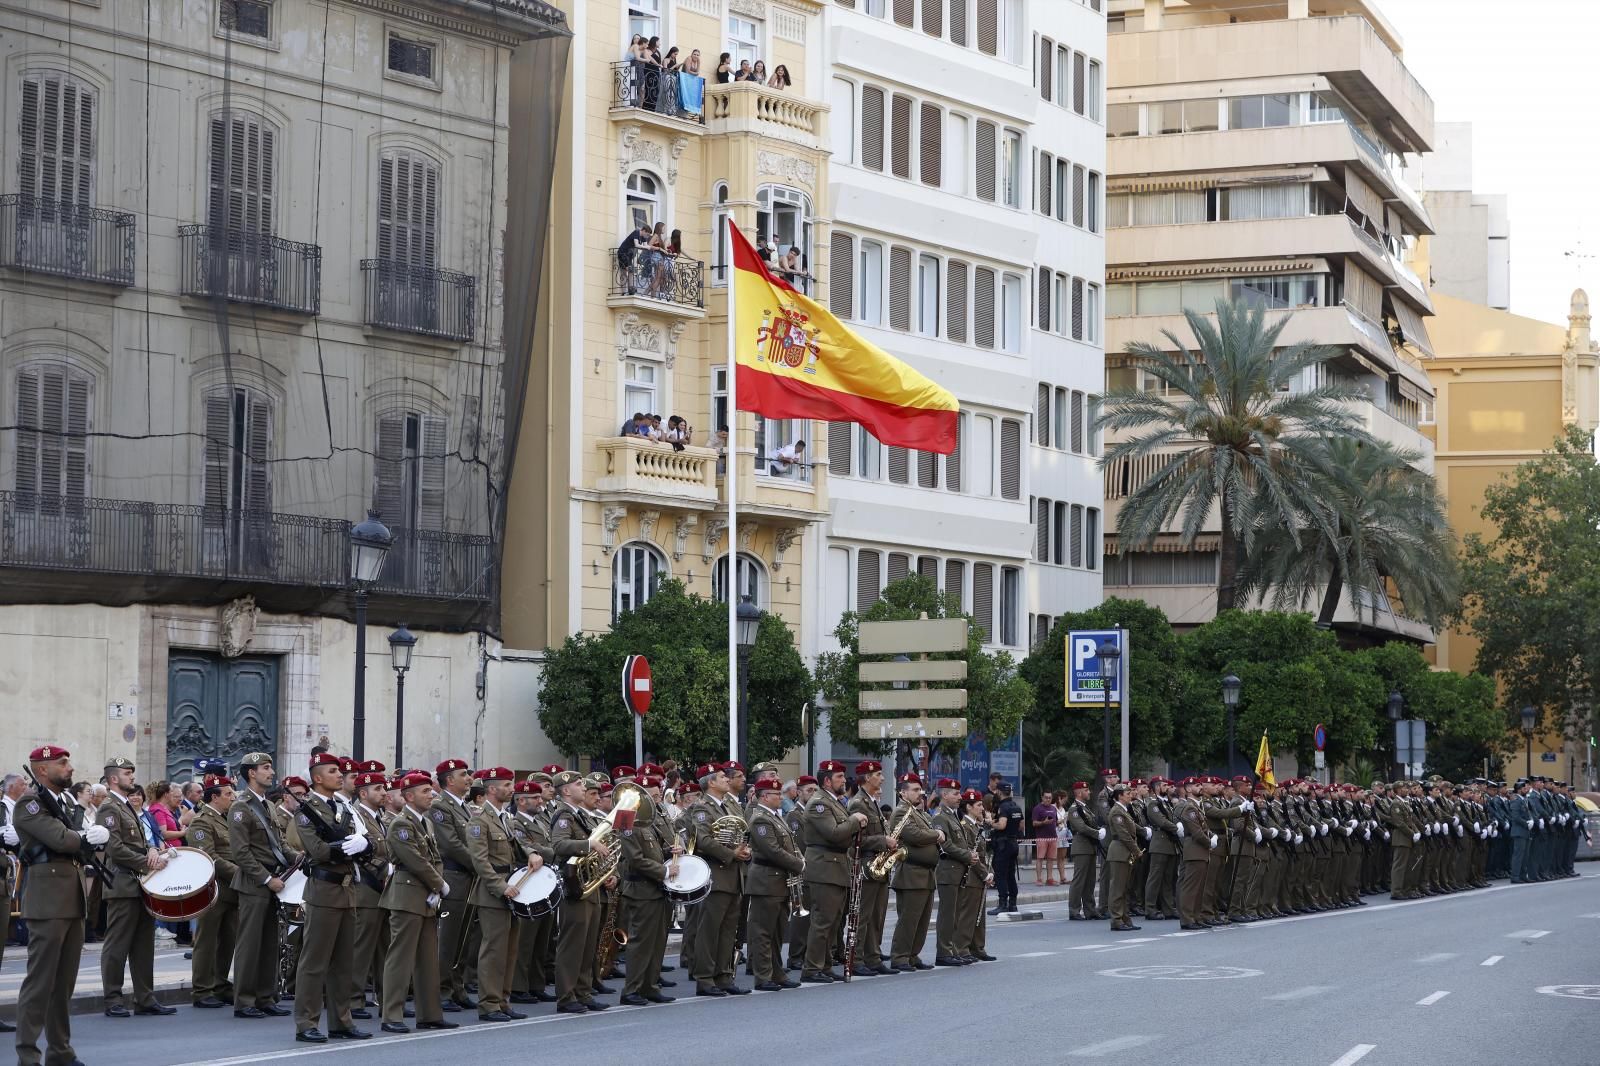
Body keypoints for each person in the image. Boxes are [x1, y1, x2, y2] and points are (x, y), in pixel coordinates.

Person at [14, 746, 109, 1066]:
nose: (70, 768)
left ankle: (60, 1051)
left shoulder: (63, 803)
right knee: (40, 983)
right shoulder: (30, 804)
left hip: (71, 900)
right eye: (62, 763)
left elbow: (77, 845)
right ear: (41, 769)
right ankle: (28, 1055)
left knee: (64, 985)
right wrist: (85, 836)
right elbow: (59, 839)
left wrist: (89, 838)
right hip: (48, 901)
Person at [290, 752, 373, 1043]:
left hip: (348, 889)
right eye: (333, 771)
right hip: (323, 891)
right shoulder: (306, 810)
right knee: (314, 962)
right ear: (317, 777)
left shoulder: (344, 807)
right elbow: (318, 850)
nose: (340, 775)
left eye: (340, 771)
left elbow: (363, 846)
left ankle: (341, 1021)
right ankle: (307, 1022)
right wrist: (346, 848)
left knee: (343, 962)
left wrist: (364, 845)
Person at [378, 771, 458, 1034]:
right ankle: (392, 1014)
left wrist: (436, 886)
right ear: (409, 796)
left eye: (430, 790)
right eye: (425, 791)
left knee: (427, 959)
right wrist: (440, 884)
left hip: (426, 897)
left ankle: (429, 1014)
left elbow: (434, 858)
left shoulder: (425, 822)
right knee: (400, 958)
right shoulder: (401, 824)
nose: (431, 794)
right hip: (407, 896)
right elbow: (415, 860)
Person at [97, 757, 175, 1019]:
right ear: (114, 779)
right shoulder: (109, 808)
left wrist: (152, 850)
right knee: (117, 945)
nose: (133, 777)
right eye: (127, 773)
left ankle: (145, 998)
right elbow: (115, 848)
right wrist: (147, 862)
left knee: (144, 944)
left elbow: (143, 840)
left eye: (132, 772)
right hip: (123, 883)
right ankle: (113, 998)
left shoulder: (127, 807)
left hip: (141, 883)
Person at [469, 767, 546, 1022]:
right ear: (492, 789)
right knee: (493, 950)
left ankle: (503, 1000)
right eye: (506, 785)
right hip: (494, 892)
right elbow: (480, 862)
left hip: (514, 888)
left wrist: (530, 853)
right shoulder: (479, 820)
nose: (511, 789)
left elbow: (516, 846)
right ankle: (488, 1004)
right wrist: (501, 887)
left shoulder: (506, 818)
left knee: (510, 950)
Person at [228, 752, 297, 1018]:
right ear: (251, 773)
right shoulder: (240, 806)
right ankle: (244, 1001)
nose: (271, 772)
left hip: (275, 881)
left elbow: (279, 844)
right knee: (249, 944)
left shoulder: (267, 805)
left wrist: (298, 857)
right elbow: (241, 853)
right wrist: (268, 880)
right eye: (265, 768)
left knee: (270, 943)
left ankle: (265, 997)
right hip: (254, 884)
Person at [549, 769, 612, 1013]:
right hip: (573, 885)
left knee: (587, 944)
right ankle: (566, 996)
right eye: (578, 784)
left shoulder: (581, 815)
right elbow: (558, 845)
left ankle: (583, 992)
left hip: (590, 884)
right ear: (566, 790)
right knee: (572, 944)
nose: (583, 787)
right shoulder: (563, 815)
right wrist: (588, 844)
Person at [800, 760, 865, 982]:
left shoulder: (835, 802)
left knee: (834, 921)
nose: (844, 780)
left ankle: (825, 965)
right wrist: (855, 821)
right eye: (839, 777)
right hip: (823, 866)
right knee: (823, 920)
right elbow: (834, 833)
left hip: (836, 866)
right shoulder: (819, 803)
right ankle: (812, 967)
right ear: (827, 780)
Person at [185, 773, 239, 1008]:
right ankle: (202, 989)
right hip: (212, 890)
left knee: (228, 940)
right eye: (228, 794)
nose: (232, 797)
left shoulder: (226, 819)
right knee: (206, 941)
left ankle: (219, 984)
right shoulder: (202, 821)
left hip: (232, 891)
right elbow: (209, 858)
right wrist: (240, 873)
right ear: (214, 797)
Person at [888, 772, 940, 971]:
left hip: (924, 873)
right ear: (903, 792)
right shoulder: (902, 812)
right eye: (915, 790)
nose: (920, 793)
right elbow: (915, 835)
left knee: (922, 920)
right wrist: (937, 834)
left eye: (920, 789)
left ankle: (912, 954)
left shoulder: (917, 812)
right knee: (908, 919)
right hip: (910, 873)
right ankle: (900, 956)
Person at [845, 761, 894, 976]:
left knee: (877, 915)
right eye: (878, 774)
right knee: (862, 916)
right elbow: (857, 840)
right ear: (866, 778)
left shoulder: (872, 802)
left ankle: (873, 957)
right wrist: (883, 840)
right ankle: (857, 960)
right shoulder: (858, 803)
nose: (882, 778)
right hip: (866, 863)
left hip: (879, 864)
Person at [348, 771, 390, 1020]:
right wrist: (386, 870)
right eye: (378, 789)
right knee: (361, 948)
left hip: (383, 889)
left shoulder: (379, 817)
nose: (384, 792)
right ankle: (354, 999)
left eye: (384, 788)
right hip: (366, 888)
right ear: (363, 793)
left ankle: (388, 1000)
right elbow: (360, 854)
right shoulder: (356, 817)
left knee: (385, 948)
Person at [1105, 783, 1143, 931]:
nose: (1130, 795)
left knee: (1124, 888)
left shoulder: (1124, 810)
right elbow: (1124, 835)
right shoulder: (1116, 812)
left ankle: (1125, 918)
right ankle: (1116, 920)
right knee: (1117, 888)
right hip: (1120, 851)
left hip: (1125, 851)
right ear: (1119, 795)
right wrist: (1137, 850)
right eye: (1127, 793)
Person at [1064, 781, 1102, 920]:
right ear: (1079, 792)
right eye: (1086, 790)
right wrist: (1097, 833)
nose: (1089, 792)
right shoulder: (1074, 809)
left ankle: (1090, 909)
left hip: (1089, 847)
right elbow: (1080, 827)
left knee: (1090, 881)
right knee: (1079, 880)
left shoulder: (1085, 808)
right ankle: (1074, 910)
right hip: (1081, 847)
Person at [988, 781, 1022, 914]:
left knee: (1001, 875)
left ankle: (1003, 904)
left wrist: (991, 823)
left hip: (1003, 845)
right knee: (1010, 875)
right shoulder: (1016, 807)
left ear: (1000, 792)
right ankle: (1013, 904)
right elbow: (1021, 826)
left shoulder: (1003, 807)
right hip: (1013, 843)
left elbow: (1001, 825)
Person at [1030, 791, 1059, 885]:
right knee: (1040, 858)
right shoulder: (1037, 808)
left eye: (1050, 798)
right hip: (1041, 837)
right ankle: (1039, 879)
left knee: (1051, 858)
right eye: (1046, 797)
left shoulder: (1054, 808)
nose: (1048, 799)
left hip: (1053, 836)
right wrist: (1043, 822)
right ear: (1042, 797)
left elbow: (1056, 821)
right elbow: (1034, 823)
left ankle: (1049, 878)